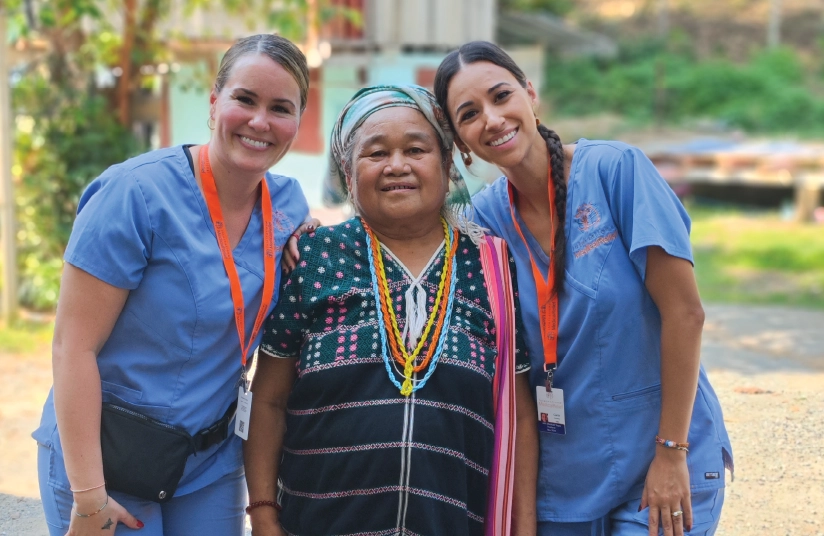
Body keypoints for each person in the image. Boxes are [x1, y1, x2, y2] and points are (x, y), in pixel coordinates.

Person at [433, 42, 733, 536]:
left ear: (530, 94)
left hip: (663, 458)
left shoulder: (617, 171)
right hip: (566, 481)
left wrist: (671, 453)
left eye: (501, 95)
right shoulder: (485, 222)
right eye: (469, 114)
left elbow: (685, 313)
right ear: (461, 141)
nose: (492, 118)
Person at [33, 34, 312, 536]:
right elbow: (71, 348)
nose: (259, 121)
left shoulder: (289, 207)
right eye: (244, 99)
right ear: (214, 100)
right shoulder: (134, 194)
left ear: (297, 123)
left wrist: (308, 240)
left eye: (280, 108)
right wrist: (89, 497)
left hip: (207, 461)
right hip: (108, 456)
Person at [244, 85, 539, 536]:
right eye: (375, 153)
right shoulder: (314, 257)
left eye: (416, 149)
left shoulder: (491, 266)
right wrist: (263, 514)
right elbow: (268, 400)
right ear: (347, 170)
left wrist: (524, 526)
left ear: (445, 163)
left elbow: (516, 416)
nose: (396, 166)